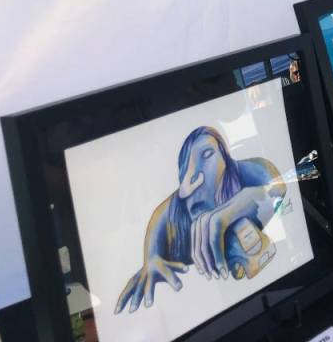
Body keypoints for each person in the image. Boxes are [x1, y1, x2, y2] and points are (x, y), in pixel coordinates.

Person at [114, 126, 286, 313]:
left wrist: (233, 209)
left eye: (207, 154)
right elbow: (159, 217)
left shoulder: (240, 172)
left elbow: (278, 183)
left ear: (225, 157)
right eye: (187, 168)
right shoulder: (178, 208)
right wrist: (152, 259)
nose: (196, 177)